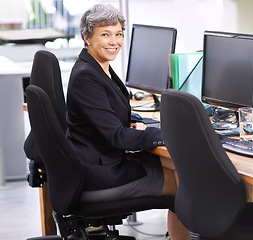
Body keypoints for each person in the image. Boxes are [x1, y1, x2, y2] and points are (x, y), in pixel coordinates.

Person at [66, 4, 189, 239]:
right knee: (186, 186)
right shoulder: (86, 78)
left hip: (104, 161)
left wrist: (134, 121)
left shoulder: (98, 68)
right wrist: (167, 132)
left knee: (184, 169)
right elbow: (119, 138)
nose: (114, 42)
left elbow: (108, 110)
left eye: (118, 34)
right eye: (105, 34)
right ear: (86, 37)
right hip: (100, 174)